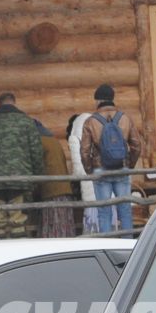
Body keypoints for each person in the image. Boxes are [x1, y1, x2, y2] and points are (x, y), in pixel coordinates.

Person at [0, 91, 45, 238]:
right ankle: (19, 253)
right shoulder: (26, 122)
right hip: (21, 180)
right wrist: (37, 177)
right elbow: (36, 152)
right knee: (18, 221)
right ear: (14, 102)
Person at [79, 85, 141, 233]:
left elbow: (84, 151)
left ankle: (106, 245)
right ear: (112, 99)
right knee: (125, 210)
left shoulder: (90, 121)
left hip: (101, 170)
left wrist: (90, 171)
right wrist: (129, 165)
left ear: (98, 100)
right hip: (122, 167)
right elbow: (137, 145)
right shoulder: (125, 118)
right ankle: (127, 244)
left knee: (104, 212)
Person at [36, 119, 80, 238]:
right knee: (63, 223)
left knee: (54, 224)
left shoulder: (39, 142)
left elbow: (38, 166)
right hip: (64, 187)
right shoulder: (53, 140)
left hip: (51, 189)